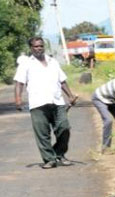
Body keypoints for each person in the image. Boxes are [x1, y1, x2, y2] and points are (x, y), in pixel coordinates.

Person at [14, 36, 79, 168]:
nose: (39, 48)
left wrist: (70, 96)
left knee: (64, 128)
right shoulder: (26, 64)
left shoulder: (53, 62)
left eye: (41, 46)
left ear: (44, 47)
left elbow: (62, 81)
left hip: (57, 101)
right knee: (42, 134)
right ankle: (49, 159)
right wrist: (18, 99)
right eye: (36, 46)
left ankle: (59, 154)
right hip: (38, 103)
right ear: (31, 48)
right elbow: (19, 83)